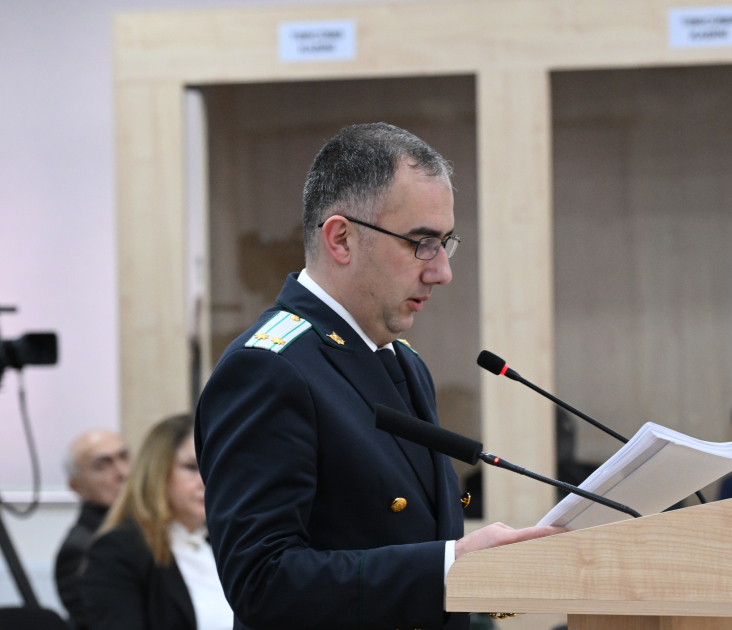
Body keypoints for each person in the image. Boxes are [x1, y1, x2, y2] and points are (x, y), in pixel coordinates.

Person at [196, 123, 564, 630]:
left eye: (445, 243)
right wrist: (451, 564)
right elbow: (262, 583)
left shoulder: (402, 361)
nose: (441, 271)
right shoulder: (268, 368)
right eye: (422, 243)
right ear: (342, 238)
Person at [80, 414, 232, 630]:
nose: (206, 481)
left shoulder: (225, 543)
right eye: (191, 467)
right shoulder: (117, 551)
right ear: (157, 472)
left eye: (213, 466)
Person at [55, 430, 130, 630]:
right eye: (101, 466)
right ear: (77, 487)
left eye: (124, 457)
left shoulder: (147, 526)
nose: (123, 473)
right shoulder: (80, 549)